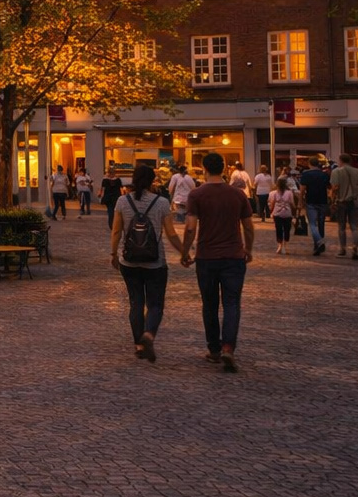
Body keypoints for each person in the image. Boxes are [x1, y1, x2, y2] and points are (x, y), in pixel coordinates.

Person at [181, 151, 255, 373]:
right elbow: (248, 227)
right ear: (224, 169)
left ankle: (213, 350)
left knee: (210, 304)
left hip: (207, 258)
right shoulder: (238, 194)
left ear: (204, 168)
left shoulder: (197, 194)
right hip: (233, 256)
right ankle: (228, 348)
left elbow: (191, 227)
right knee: (232, 304)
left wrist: (185, 252)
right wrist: (248, 250)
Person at [110, 163, 184, 362]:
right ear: (153, 180)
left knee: (136, 303)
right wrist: (184, 252)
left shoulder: (122, 201)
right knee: (155, 304)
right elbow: (170, 233)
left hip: (129, 261)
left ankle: (138, 345)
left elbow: (116, 231)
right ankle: (149, 335)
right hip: (155, 262)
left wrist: (113, 254)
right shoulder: (161, 203)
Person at [330, 153, 358, 260]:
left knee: (341, 227)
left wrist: (332, 201)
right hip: (356, 201)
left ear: (340, 160)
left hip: (342, 201)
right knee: (355, 227)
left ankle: (343, 249)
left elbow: (335, 188)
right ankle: (355, 248)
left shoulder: (336, 172)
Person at [297, 157, 331, 256]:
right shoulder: (324, 175)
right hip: (322, 200)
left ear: (309, 164)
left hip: (311, 201)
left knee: (312, 224)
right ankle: (317, 246)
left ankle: (319, 242)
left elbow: (302, 189)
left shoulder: (306, 174)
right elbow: (329, 187)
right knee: (321, 224)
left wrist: (300, 201)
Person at [269, 176, 297, 254]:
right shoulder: (289, 193)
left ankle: (280, 245)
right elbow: (292, 203)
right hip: (287, 213)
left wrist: (271, 211)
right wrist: (295, 210)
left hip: (277, 213)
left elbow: (272, 203)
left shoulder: (274, 193)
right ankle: (285, 246)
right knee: (287, 230)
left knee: (279, 230)